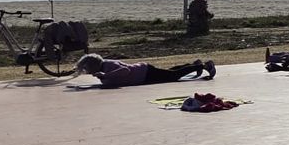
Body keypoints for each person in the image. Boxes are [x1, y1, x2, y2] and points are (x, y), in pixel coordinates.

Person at [76, 54, 214, 87]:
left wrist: (106, 75)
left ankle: (204, 66)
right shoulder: (104, 67)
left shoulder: (107, 67)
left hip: (144, 73)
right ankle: (193, 64)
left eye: (86, 69)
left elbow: (125, 71)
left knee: (173, 76)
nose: (87, 72)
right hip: (144, 72)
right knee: (169, 72)